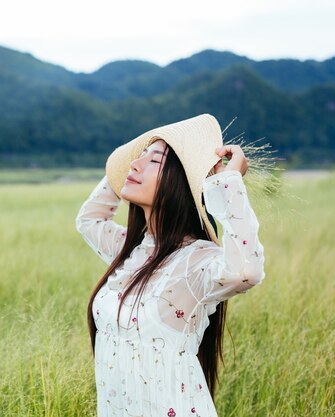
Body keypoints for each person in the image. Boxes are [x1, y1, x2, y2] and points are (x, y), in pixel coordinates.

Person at [75, 114, 266, 417]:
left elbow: (246, 272)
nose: (135, 166)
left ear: (179, 182)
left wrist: (228, 182)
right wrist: (121, 169)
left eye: (154, 161)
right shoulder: (133, 252)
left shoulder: (196, 261)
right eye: (136, 161)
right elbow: (90, 220)